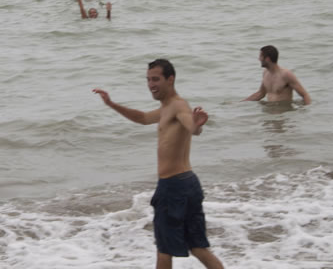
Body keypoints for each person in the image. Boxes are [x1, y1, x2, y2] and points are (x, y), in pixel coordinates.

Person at [93, 59, 224, 269]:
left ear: (170, 79)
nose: (151, 84)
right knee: (198, 247)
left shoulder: (178, 105)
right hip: (188, 183)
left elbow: (191, 126)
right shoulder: (166, 108)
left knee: (164, 250)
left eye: (155, 79)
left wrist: (197, 125)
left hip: (173, 186)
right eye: (148, 80)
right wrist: (111, 104)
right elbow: (143, 117)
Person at [243, 45, 311, 104]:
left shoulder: (286, 75)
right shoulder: (265, 73)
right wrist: (241, 103)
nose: (259, 59)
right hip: (269, 111)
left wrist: (306, 112)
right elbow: (260, 93)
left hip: (283, 113)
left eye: (261, 56)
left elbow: (305, 95)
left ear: (267, 59)